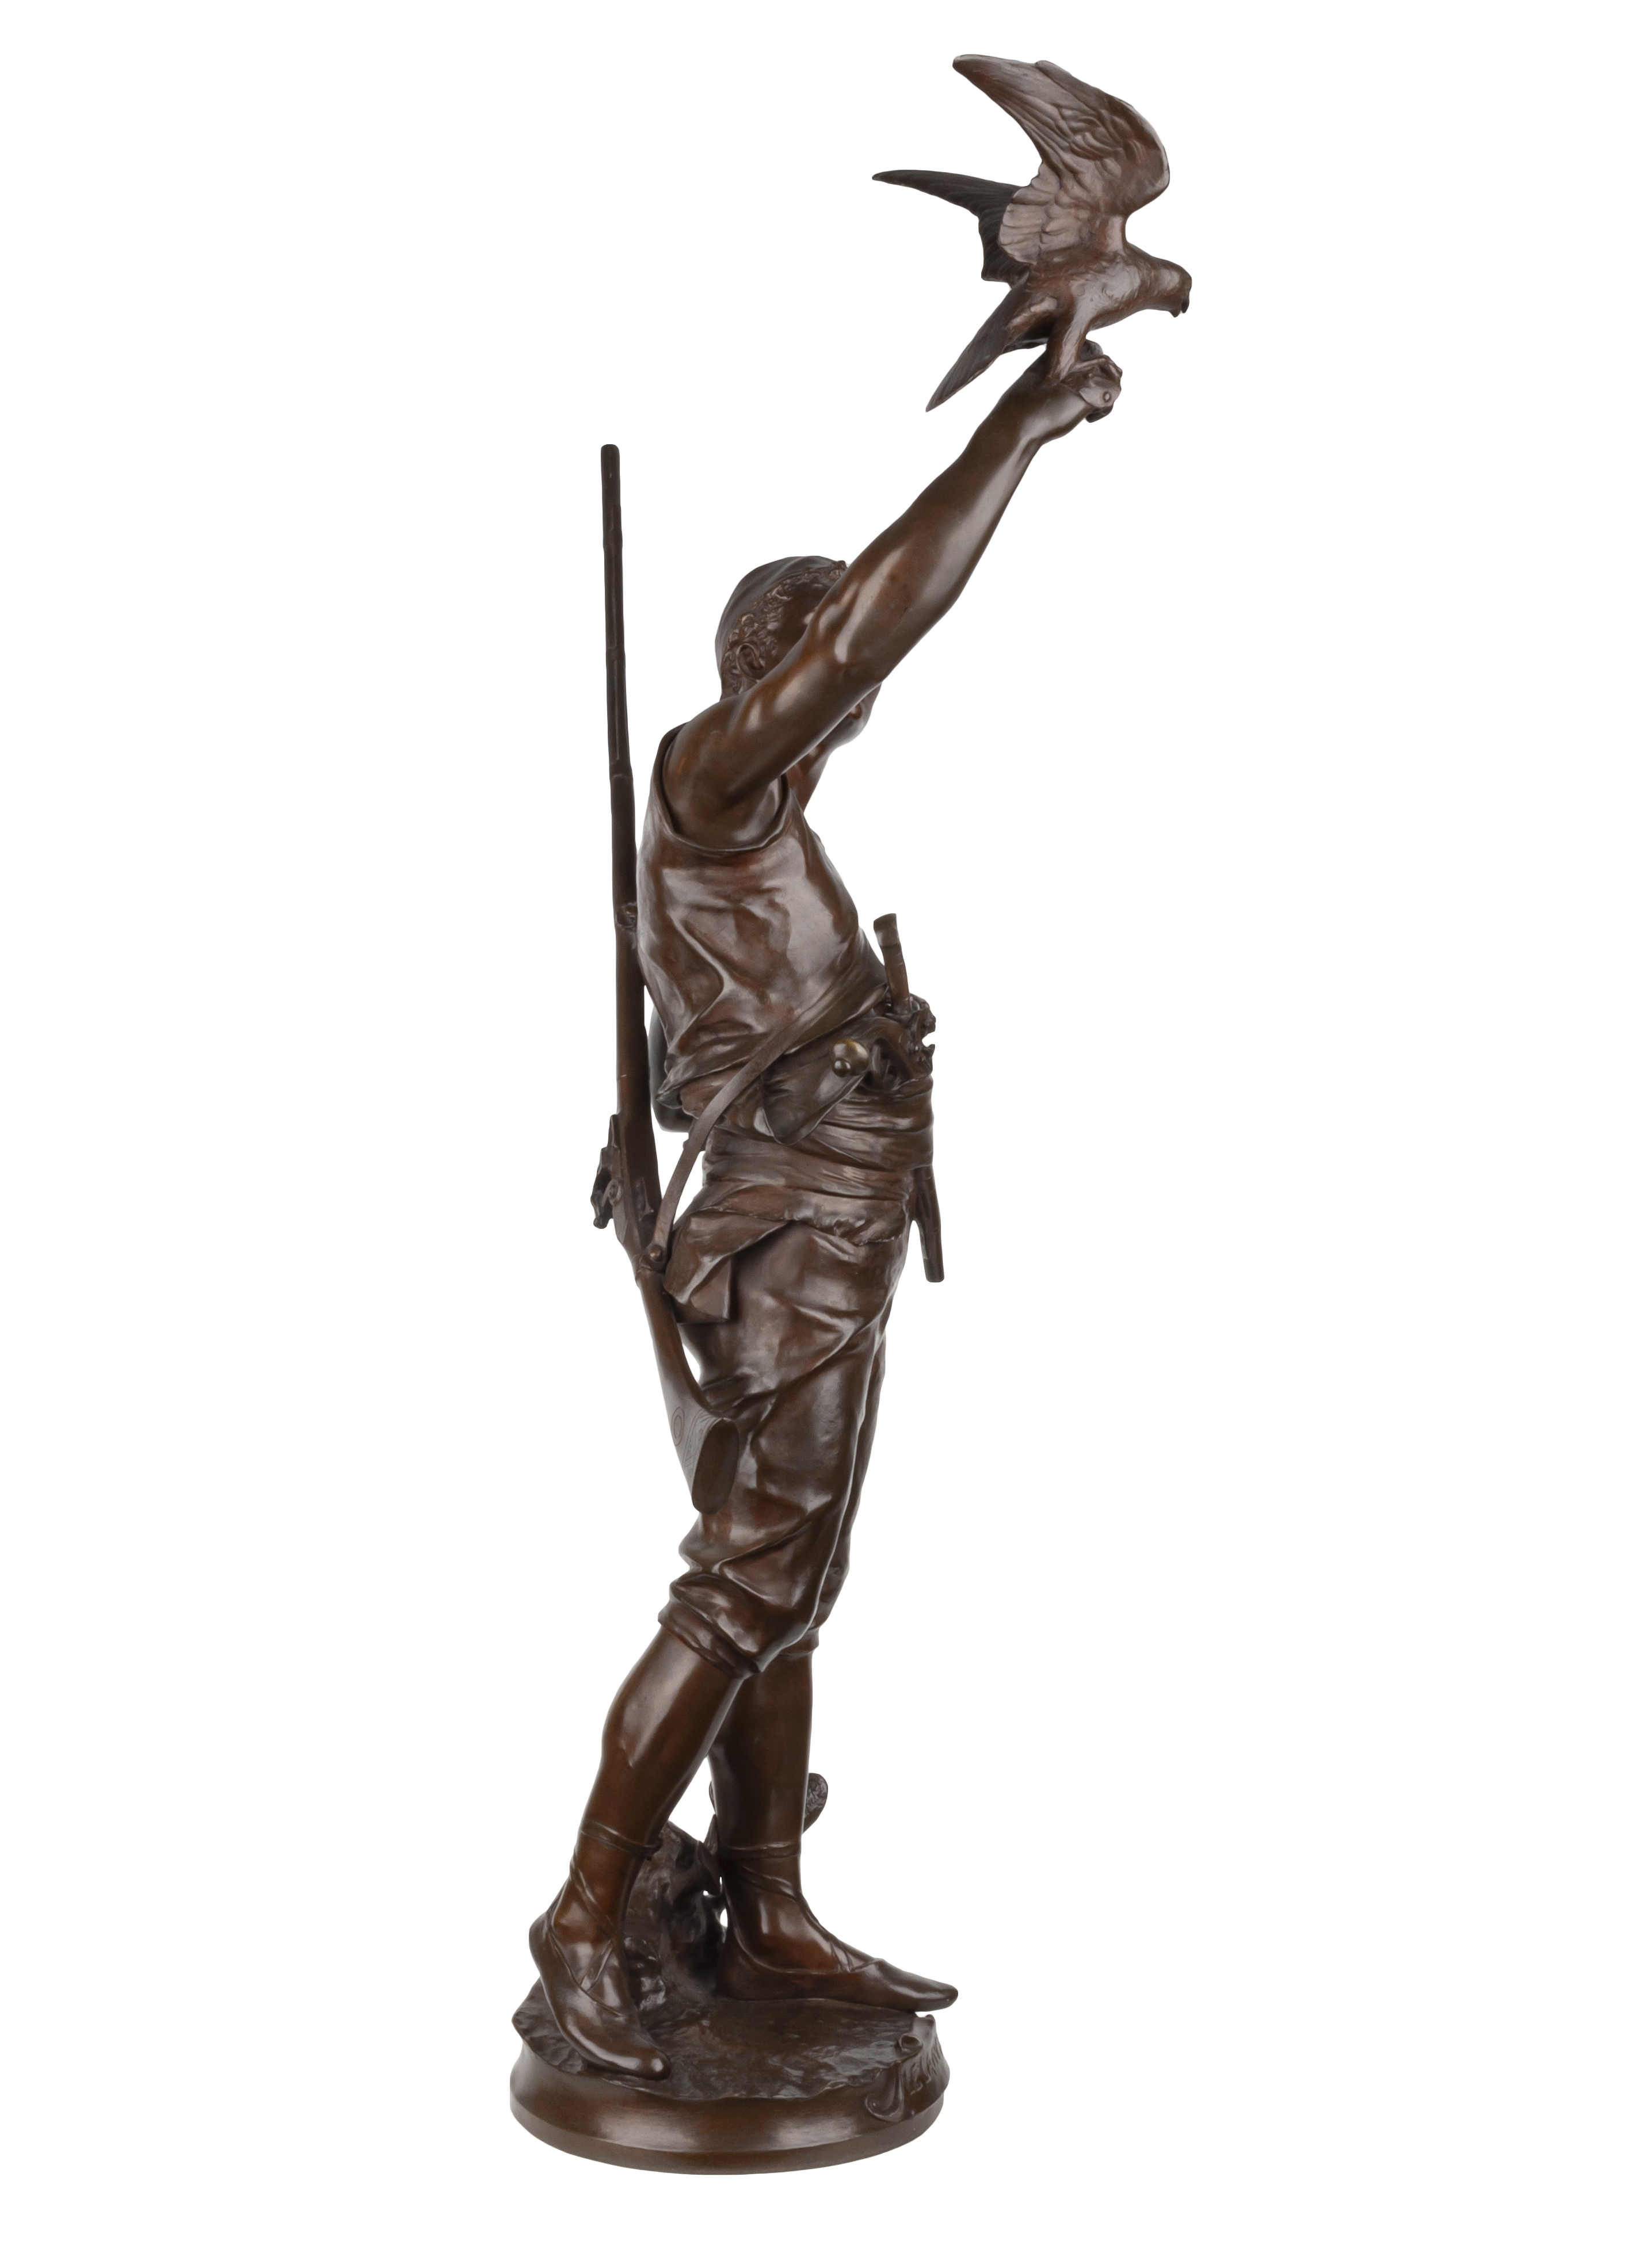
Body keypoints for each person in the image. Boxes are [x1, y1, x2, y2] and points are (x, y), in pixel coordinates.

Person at [532, 346, 1126, 2078]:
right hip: (789, 1230)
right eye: (823, 675)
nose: (849, 701)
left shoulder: (756, 828)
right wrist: (1019, 426)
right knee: (743, 1583)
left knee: (790, 1578)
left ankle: (766, 1900)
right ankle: (586, 1918)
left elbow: (695, 1055)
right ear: (782, 677)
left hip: (824, 1222)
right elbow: (874, 623)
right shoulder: (710, 784)